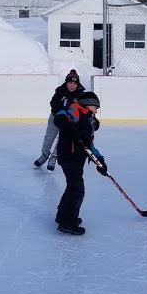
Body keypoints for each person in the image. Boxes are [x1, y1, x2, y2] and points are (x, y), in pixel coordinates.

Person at [53, 91, 107, 235]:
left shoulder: (89, 121)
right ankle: (67, 222)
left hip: (77, 159)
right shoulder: (76, 110)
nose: (97, 110)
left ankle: (63, 216)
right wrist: (71, 129)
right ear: (89, 105)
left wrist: (99, 160)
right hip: (68, 156)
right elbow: (59, 117)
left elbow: (89, 145)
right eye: (96, 107)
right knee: (77, 188)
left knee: (72, 187)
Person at [35, 69, 85, 169]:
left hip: (69, 121)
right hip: (56, 117)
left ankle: (54, 156)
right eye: (70, 82)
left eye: (75, 83)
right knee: (49, 137)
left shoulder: (80, 95)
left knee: (62, 140)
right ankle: (44, 154)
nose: (72, 85)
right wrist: (59, 112)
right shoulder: (60, 91)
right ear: (66, 83)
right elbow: (53, 103)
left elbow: (82, 108)